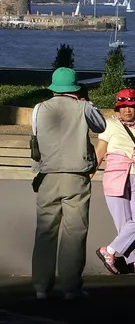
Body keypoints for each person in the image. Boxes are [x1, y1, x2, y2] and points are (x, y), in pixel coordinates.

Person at [31, 67, 107, 300]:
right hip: (76, 177)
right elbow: (101, 126)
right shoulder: (84, 107)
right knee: (74, 232)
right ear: (75, 88)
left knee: (45, 232)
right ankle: (71, 287)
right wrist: (85, 102)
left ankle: (41, 287)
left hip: (47, 176)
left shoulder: (38, 109)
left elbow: (35, 140)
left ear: (53, 88)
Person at [93, 88, 135, 276]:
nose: (127, 110)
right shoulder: (109, 125)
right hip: (115, 176)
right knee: (123, 222)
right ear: (118, 108)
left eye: (131, 106)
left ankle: (109, 251)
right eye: (123, 106)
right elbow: (100, 151)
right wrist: (90, 172)